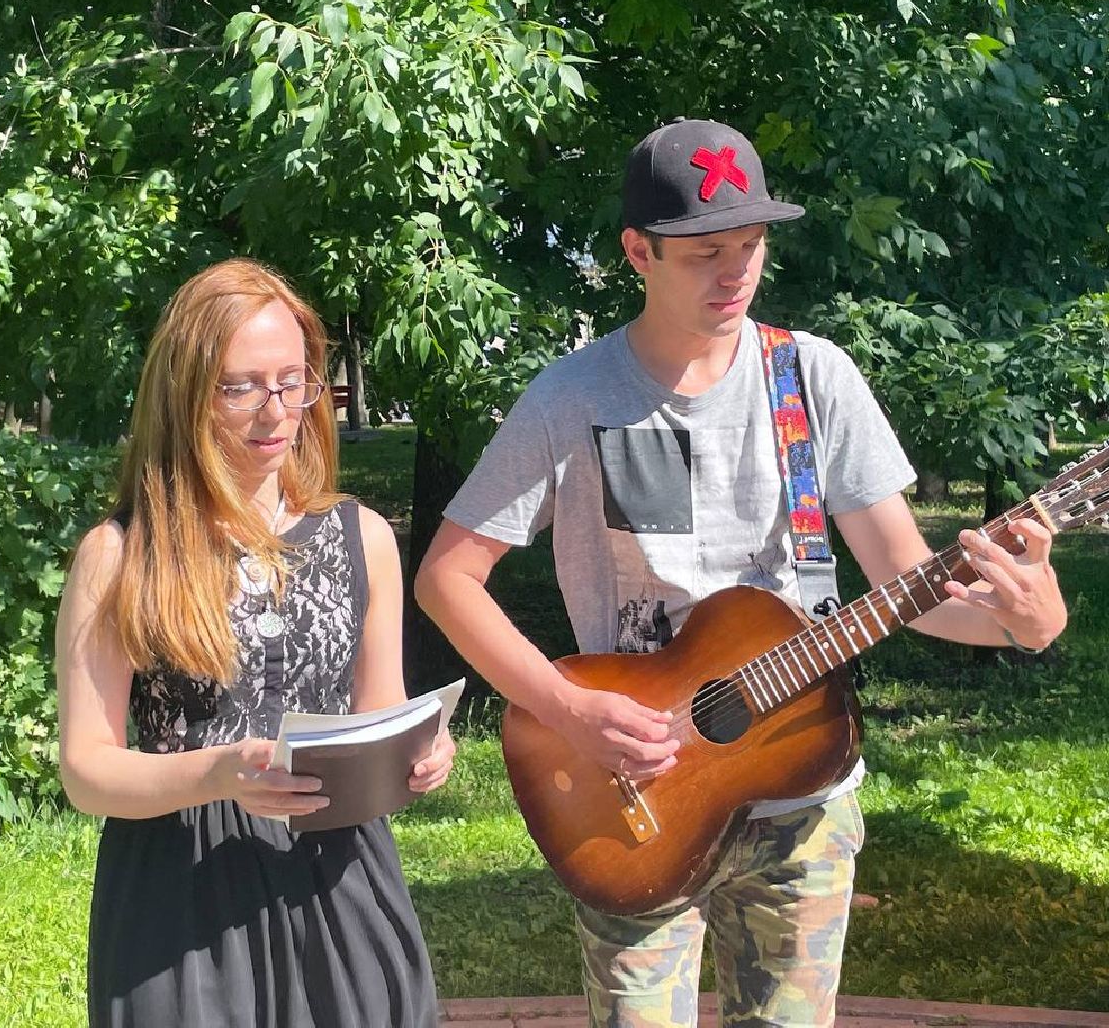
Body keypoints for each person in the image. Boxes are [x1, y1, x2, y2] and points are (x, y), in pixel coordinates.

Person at [414, 118, 1067, 1027]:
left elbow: (910, 585)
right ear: (637, 252)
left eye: (751, 246)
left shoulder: (813, 379)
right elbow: (446, 578)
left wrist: (1025, 622)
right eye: (705, 253)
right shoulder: (572, 398)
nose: (735, 273)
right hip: (635, 794)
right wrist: (568, 710)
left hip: (803, 801)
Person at [56, 258, 455, 1027]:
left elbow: (383, 713)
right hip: (181, 899)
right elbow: (87, 770)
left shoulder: (364, 537)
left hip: (341, 882)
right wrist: (220, 773)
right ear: (185, 395)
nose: (276, 412)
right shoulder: (120, 555)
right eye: (240, 388)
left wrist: (424, 751)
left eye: (292, 382)